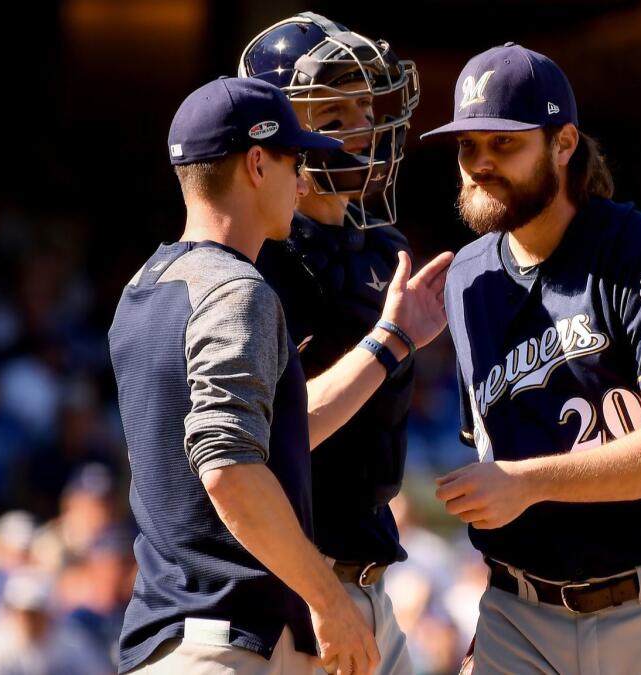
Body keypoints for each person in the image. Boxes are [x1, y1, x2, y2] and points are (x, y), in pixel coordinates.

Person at [422, 44, 641, 674]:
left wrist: (528, 483)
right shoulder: (467, 281)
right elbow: (493, 466)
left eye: (503, 144)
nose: (479, 164)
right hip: (519, 617)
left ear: (563, 143)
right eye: (468, 147)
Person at [110, 76, 450, 675]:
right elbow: (230, 469)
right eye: (295, 157)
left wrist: (390, 340)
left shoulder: (144, 287)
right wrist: (328, 600)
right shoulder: (239, 291)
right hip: (234, 641)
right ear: (258, 162)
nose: (305, 174)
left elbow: (277, 437)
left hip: (182, 632)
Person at [238, 13, 423, 674]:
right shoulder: (255, 266)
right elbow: (259, 442)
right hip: (288, 591)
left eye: (362, 107)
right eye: (334, 112)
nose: (363, 125)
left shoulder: (385, 250)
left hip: (371, 581)